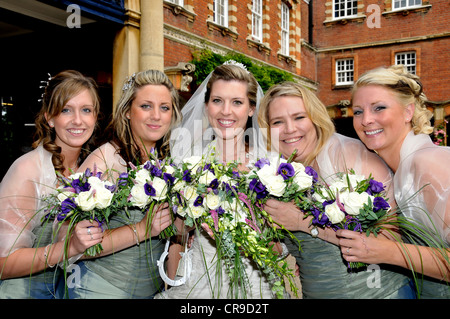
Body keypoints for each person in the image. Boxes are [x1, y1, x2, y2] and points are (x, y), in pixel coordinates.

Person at [258, 81, 416, 298]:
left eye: (299, 117)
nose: (289, 129)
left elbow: (391, 239)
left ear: (315, 119)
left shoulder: (350, 156)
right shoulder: (277, 176)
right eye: (277, 121)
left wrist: (303, 223)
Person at [155, 62, 275, 299]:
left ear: (251, 108)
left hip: (255, 283)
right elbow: (177, 235)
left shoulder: (269, 166)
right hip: (198, 281)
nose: (225, 111)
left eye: (237, 102)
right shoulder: (186, 162)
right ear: (206, 105)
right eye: (217, 100)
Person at [336, 65, 449, 299]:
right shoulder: (397, 169)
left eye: (379, 108)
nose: (366, 120)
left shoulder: (428, 164)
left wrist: (388, 251)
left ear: (408, 112)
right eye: (358, 112)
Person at [67, 69, 182, 298]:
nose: (156, 116)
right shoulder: (105, 160)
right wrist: (142, 229)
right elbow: (72, 246)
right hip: (102, 289)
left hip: (152, 290)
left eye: (165, 107)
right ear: (128, 111)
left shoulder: (167, 162)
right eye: (146, 106)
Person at [0, 70, 103, 298]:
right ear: (49, 117)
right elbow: (3, 263)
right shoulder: (28, 170)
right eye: (66, 110)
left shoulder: (91, 170)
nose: (78, 120)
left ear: (95, 117)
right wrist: (68, 248)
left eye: (86, 110)